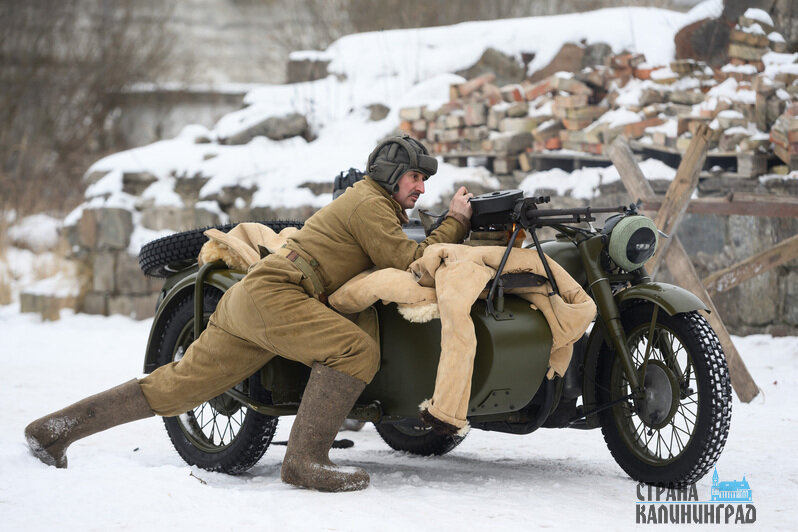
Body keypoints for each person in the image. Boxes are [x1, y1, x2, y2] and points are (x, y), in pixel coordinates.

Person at [24, 135, 474, 492]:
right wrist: (456, 220)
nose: (421, 187)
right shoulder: (371, 204)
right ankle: (305, 461)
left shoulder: (370, 203)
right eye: (416, 177)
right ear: (392, 174)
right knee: (354, 350)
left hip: (255, 296)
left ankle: (53, 430)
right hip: (279, 293)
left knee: (179, 386)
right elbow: (412, 262)